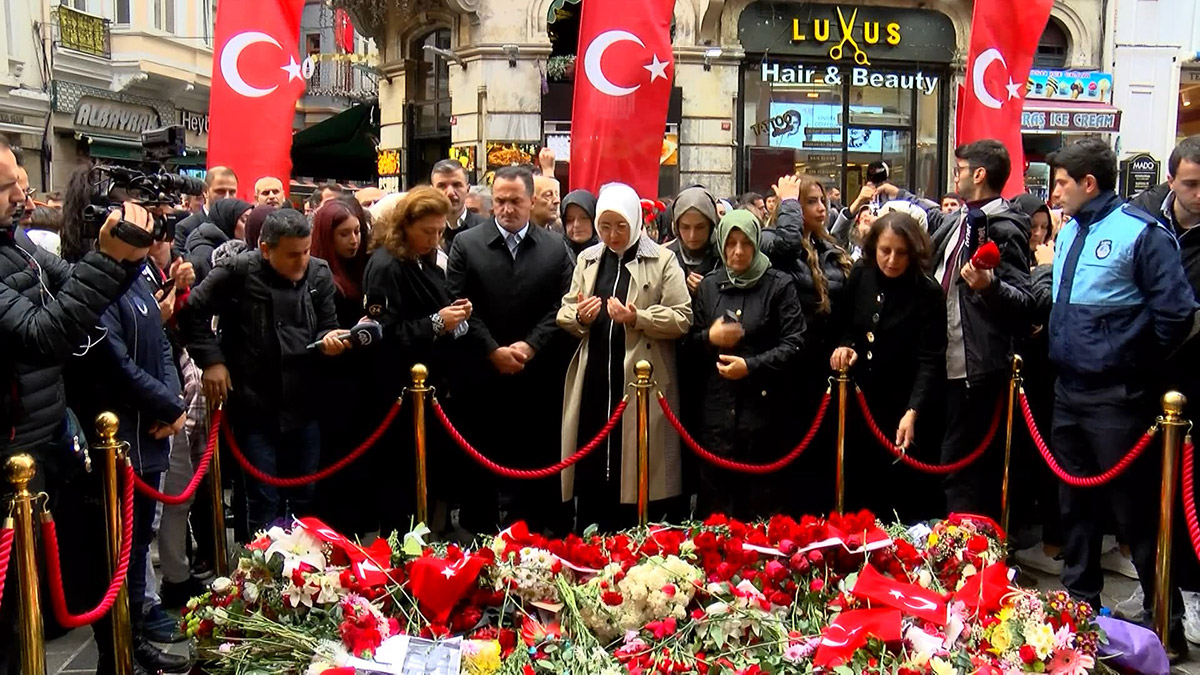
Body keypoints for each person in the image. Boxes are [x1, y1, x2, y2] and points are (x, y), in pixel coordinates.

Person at [1032, 137, 1197, 657]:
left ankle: (1163, 621)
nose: (1053, 193)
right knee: (1074, 504)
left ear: (1088, 183)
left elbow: (1176, 313)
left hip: (1118, 397)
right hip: (1069, 391)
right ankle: (1080, 607)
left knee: (1135, 513)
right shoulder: (1071, 231)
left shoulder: (1140, 234)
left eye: (1060, 183)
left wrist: (1130, 360)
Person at [0, 142, 157, 675]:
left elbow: (77, 293)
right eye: (7, 187)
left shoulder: (17, 246)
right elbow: (45, 335)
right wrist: (110, 260)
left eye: (20, 179)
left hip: (49, 442)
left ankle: (120, 658)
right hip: (15, 459)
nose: (21, 193)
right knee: (15, 616)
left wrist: (132, 255)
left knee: (86, 570)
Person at [881, 140, 1033, 519]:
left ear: (978, 174)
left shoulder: (1003, 229)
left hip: (973, 367)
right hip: (937, 361)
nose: (955, 176)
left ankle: (964, 554)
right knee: (932, 460)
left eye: (959, 170)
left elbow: (1025, 303)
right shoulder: (958, 220)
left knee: (960, 468)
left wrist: (990, 286)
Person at [63, 224, 189, 672]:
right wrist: (163, 403)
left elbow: (161, 346)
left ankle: (134, 642)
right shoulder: (94, 282)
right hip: (120, 438)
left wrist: (171, 402)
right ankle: (115, 653)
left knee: (136, 551)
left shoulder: (141, 278)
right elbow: (114, 363)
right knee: (116, 554)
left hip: (149, 431)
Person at [180, 209, 351, 535]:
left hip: (304, 400)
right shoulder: (237, 271)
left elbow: (328, 326)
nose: (300, 262)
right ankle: (258, 573)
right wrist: (212, 361)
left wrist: (330, 342)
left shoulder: (317, 273)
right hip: (253, 401)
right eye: (291, 255)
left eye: (305, 252)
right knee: (262, 499)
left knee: (305, 494)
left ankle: (305, 572)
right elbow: (191, 314)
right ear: (265, 249)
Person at [446, 165, 574, 533]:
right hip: (482, 375)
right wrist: (492, 350)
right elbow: (459, 303)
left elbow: (561, 305)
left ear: (531, 201)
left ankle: (536, 534)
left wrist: (530, 346)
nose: (506, 209)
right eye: (499, 201)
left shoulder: (554, 248)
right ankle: (479, 536)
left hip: (536, 376)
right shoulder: (467, 244)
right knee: (481, 463)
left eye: (515, 201)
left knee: (535, 460)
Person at [558, 182, 692, 532]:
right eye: (604, 226)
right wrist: (580, 317)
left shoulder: (662, 259)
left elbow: (683, 317)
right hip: (595, 376)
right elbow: (566, 311)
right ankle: (590, 533)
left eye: (620, 226)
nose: (612, 235)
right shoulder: (589, 259)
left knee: (635, 460)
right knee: (591, 453)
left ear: (635, 221)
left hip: (641, 379)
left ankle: (633, 536)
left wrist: (638, 318)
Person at [362, 187, 473, 534]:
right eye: (428, 231)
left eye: (440, 231)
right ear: (405, 225)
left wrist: (456, 315)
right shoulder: (386, 265)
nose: (435, 238)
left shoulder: (424, 259)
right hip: (398, 390)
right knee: (400, 480)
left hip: (432, 388)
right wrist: (438, 322)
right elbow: (383, 333)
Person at [685, 209, 804, 520]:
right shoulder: (711, 285)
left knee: (763, 509)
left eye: (746, 244)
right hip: (718, 417)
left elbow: (794, 343)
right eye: (731, 244)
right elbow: (689, 344)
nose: (738, 252)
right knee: (717, 512)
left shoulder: (778, 285)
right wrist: (710, 337)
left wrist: (751, 365)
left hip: (764, 414)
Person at [832, 212, 946, 521]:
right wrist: (847, 349)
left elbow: (930, 358)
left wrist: (914, 410)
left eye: (901, 252)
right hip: (862, 401)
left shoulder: (927, 291)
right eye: (885, 251)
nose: (892, 260)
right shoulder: (861, 275)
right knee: (860, 490)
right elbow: (846, 327)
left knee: (903, 494)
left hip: (905, 403)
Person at [311, 200, 369, 328]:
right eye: (344, 234)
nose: (354, 240)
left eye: (357, 231)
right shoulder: (320, 279)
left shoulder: (363, 265)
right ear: (327, 237)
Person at [666, 186, 722, 295]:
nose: (692, 235)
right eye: (685, 227)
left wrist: (709, 291)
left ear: (711, 225)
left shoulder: (726, 257)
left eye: (700, 227)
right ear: (676, 227)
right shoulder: (665, 258)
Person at [173, 166, 237, 257]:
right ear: (205, 193)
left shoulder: (240, 228)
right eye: (220, 191)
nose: (227, 197)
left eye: (232, 192)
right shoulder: (185, 228)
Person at [184, 197, 252, 284]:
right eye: (245, 221)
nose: (249, 227)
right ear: (229, 220)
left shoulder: (235, 249)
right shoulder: (202, 254)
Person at [433, 159, 486, 252]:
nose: (450, 193)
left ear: (468, 189)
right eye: (442, 186)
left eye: (457, 185)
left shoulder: (485, 229)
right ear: (432, 191)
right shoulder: (423, 231)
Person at [561, 189, 598, 258]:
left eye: (584, 218)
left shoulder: (606, 255)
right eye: (570, 220)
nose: (576, 225)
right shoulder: (557, 255)